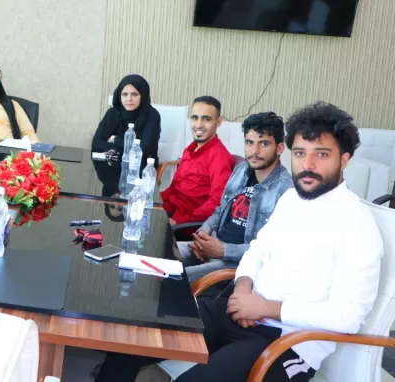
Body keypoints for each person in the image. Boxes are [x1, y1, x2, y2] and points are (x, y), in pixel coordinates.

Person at [95, 102, 383, 382]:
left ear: (344, 160)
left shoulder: (356, 223)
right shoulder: (292, 199)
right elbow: (258, 249)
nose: (307, 165)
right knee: (132, 340)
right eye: (300, 153)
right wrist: (242, 289)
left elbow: (349, 315)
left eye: (321, 154)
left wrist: (263, 308)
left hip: (289, 341)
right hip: (239, 309)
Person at [177, 112, 293, 282]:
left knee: (174, 279)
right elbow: (220, 210)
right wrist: (203, 233)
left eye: (264, 144)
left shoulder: (286, 191)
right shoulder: (241, 171)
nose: (255, 151)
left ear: (280, 148)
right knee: (161, 255)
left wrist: (224, 251)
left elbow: (271, 251)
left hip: (237, 264)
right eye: (249, 143)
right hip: (212, 244)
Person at [161, 96, 234, 227]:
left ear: (218, 122)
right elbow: (174, 189)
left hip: (187, 225)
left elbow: (217, 202)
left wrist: (179, 223)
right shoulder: (189, 149)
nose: (199, 124)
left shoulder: (219, 157)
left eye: (206, 119)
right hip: (170, 211)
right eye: (195, 118)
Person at [92, 74, 161, 171]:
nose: (129, 99)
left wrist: (115, 139)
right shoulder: (113, 113)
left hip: (141, 166)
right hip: (113, 162)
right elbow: (97, 142)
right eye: (124, 94)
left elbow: (143, 149)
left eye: (134, 94)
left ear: (143, 95)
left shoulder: (153, 116)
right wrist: (118, 150)